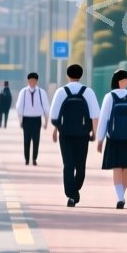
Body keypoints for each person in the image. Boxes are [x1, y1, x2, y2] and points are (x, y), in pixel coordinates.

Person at [50, 64, 99, 207]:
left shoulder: (61, 92)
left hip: (65, 134)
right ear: (81, 75)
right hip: (83, 135)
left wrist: (55, 130)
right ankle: (74, 192)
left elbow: (54, 116)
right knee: (81, 166)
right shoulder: (88, 92)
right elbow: (95, 115)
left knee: (68, 165)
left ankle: (71, 193)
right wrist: (95, 134)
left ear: (68, 75)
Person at [95, 69, 127, 209]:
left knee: (116, 168)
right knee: (126, 168)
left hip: (113, 138)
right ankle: (121, 196)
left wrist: (99, 140)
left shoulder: (109, 97)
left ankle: (120, 196)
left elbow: (104, 119)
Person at [15, 74, 48, 166]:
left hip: (37, 119)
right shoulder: (23, 92)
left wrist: (46, 122)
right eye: (30, 80)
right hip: (26, 119)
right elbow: (19, 107)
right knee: (26, 140)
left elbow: (46, 108)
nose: (32, 82)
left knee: (36, 140)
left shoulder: (41, 92)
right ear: (28, 81)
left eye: (34, 81)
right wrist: (20, 120)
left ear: (36, 81)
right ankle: (26, 158)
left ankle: (34, 159)